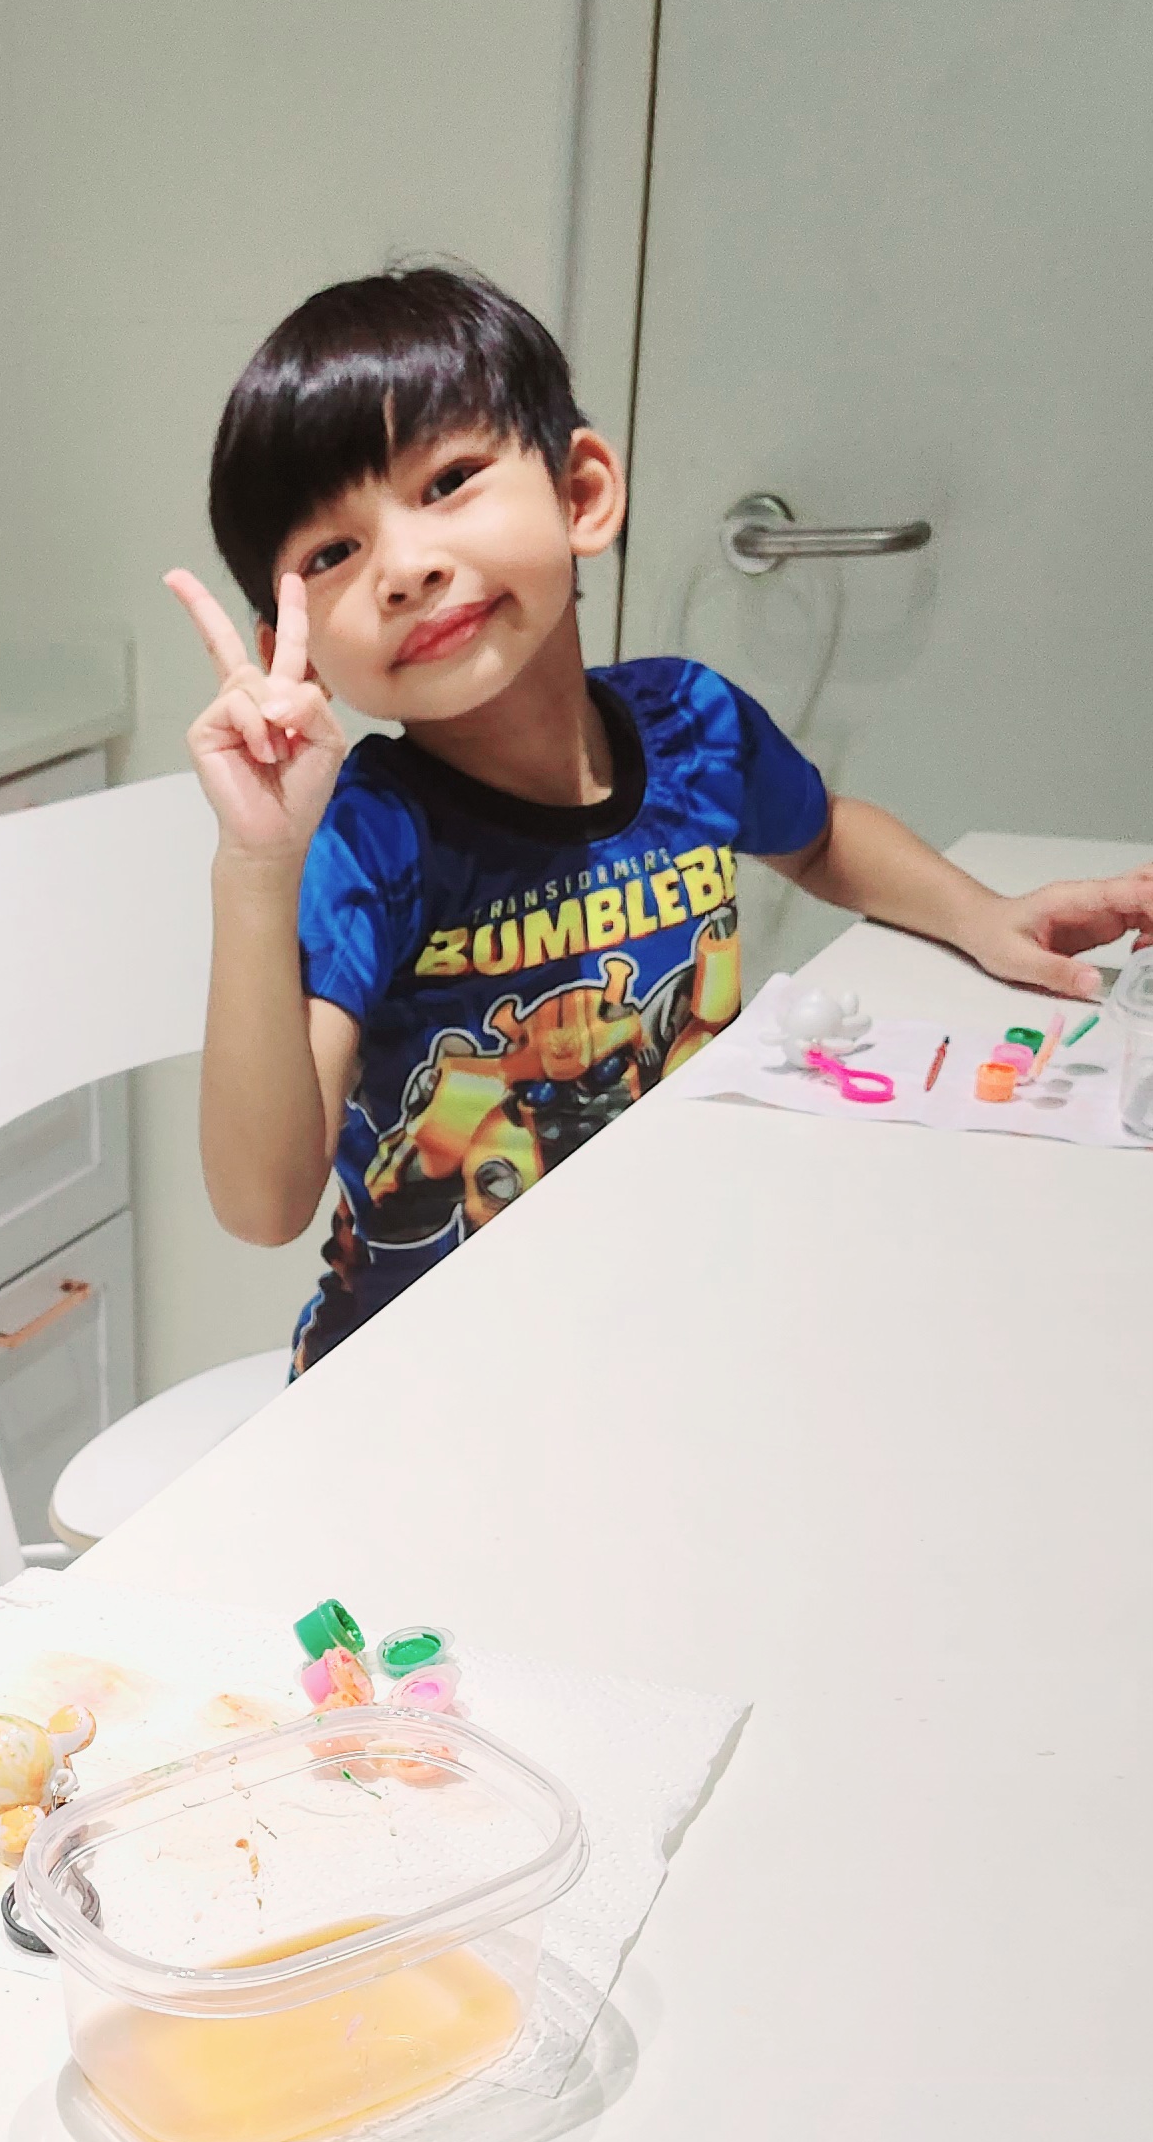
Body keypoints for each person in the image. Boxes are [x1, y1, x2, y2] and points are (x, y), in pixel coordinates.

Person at [167, 264, 1153, 1369]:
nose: (401, 567)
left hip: (661, 1304)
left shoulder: (687, 722)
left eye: (446, 480)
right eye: (331, 555)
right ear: (287, 651)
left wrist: (981, 916)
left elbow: (820, 836)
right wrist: (255, 862)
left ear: (580, 491)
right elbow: (263, 1202)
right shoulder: (374, 835)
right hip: (427, 1372)